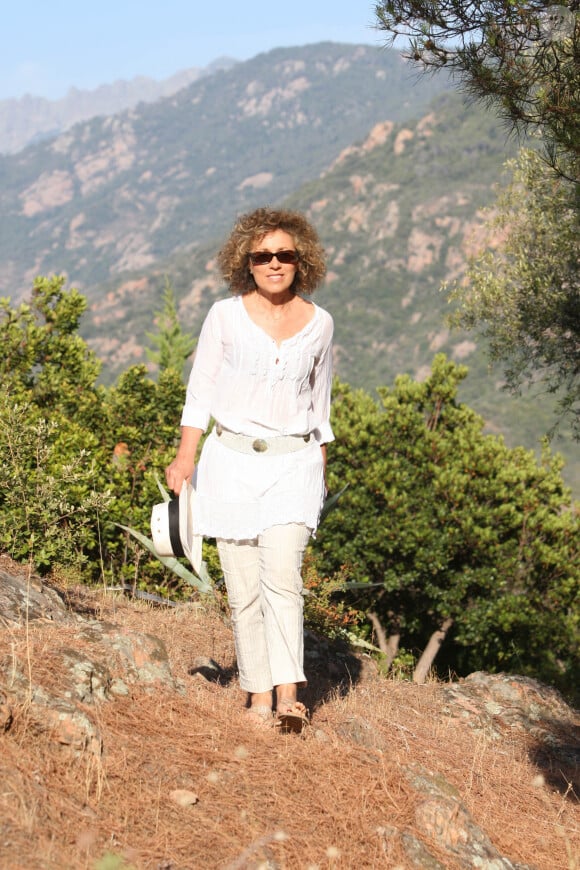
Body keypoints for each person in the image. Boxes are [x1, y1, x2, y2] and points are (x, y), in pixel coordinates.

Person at [165, 207, 334, 732]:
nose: (275, 263)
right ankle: (258, 696)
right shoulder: (224, 316)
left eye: (285, 254)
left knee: (283, 577)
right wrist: (185, 455)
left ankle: (290, 695)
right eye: (263, 256)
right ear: (247, 262)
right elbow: (201, 392)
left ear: (300, 260)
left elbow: (320, 406)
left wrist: (320, 475)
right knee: (243, 587)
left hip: (295, 465)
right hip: (231, 464)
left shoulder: (321, 324)